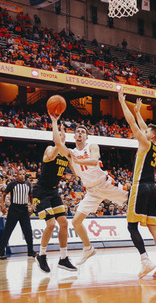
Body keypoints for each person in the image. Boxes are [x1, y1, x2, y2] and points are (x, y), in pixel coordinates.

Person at [52, 123, 128, 265]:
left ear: (86, 137)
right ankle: (88, 248)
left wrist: (78, 160)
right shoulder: (70, 152)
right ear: (74, 136)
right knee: (75, 221)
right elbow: (57, 143)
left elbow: (94, 161)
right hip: (91, 191)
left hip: (105, 184)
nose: (80, 133)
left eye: (82, 132)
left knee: (132, 197)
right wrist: (54, 122)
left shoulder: (92, 146)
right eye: (77, 132)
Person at [118, 90, 156, 279]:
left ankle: (145, 260)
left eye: (147, 131)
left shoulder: (145, 142)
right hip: (152, 188)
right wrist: (138, 112)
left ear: (152, 136)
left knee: (131, 226)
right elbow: (143, 126)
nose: (144, 131)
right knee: (153, 227)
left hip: (140, 187)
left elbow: (133, 126)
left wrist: (121, 102)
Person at [33, 115, 77, 273]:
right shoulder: (50, 149)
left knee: (64, 223)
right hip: (40, 191)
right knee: (51, 224)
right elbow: (53, 152)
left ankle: (63, 258)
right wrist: (54, 122)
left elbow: (76, 171)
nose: (61, 136)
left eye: (62, 134)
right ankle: (42, 255)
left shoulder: (66, 154)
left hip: (53, 191)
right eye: (58, 134)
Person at [0, 169, 36, 259]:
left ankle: (30, 251)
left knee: (28, 232)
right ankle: (1, 252)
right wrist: (3, 205)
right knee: (8, 231)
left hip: (24, 210)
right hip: (14, 210)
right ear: (17, 176)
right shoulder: (12, 184)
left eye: (23, 174)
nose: (22, 176)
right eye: (20, 174)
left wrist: (31, 205)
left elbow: (31, 196)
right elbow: (3, 195)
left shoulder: (28, 184)